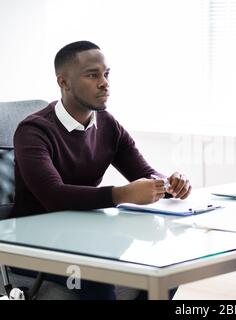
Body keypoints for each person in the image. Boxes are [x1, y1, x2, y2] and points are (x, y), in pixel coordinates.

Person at [10, 40, 191, 299]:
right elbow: (54, 195)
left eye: (106, 74)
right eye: (92, 75)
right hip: (34, 248)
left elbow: (144, 173)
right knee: (100, 281)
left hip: (85, 238)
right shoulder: (33, 131)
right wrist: (121, 194)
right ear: (63, 82)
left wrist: (169, 183)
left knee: (164, 268)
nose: (104, 83)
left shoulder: (107, 124)